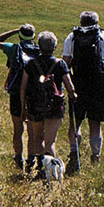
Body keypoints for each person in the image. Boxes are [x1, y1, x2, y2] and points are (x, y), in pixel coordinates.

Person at [62, 11, 104, 167]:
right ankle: (95, 156)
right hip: (98, 83)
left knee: (76, 122)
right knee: (95, 123)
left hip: (78, 83)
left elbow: (65, 64)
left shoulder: (72, 37)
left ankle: (74, 153)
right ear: (97, 22)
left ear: (80, 22)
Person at [20, 31, 76, 179]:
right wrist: (73, 96)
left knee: (38, 137)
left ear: (39, 46)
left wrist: (23, 107)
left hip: (35, 107)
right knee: (50, 141)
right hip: (54, 108)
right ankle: (52, 172)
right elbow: (69, 86)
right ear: (54, 47)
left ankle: (40, 169)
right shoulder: (60, 63)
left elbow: (23, 87)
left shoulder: (30, 64)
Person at [0, 23, 38, 170]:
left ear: (19, 36)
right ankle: (31, 160)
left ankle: (18, 158)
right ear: (34, 36)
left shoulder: (13, 49)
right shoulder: (39, 50)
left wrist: (14, 30)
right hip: (34, 94)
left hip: (16, 93)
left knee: (18, 129)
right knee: (32, 130)